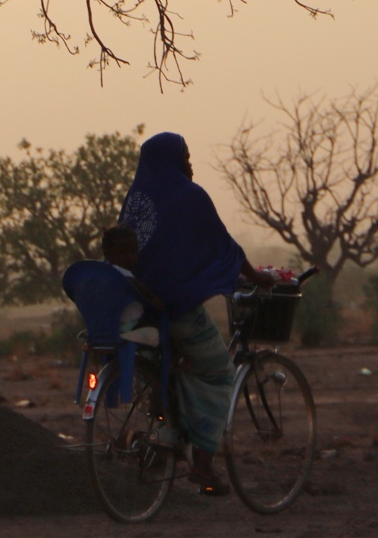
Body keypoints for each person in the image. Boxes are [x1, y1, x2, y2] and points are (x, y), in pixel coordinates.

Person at [117, 131, 271, 495]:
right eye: (185, 157)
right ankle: (203, 463)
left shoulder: (136, 200)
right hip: (175, 311)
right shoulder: (190, 197)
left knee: (177, 368)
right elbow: (224, 246)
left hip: (138, 312)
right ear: (172, 160)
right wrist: (256, 277)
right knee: (219, 371)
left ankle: (165, 437)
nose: (190, 164)